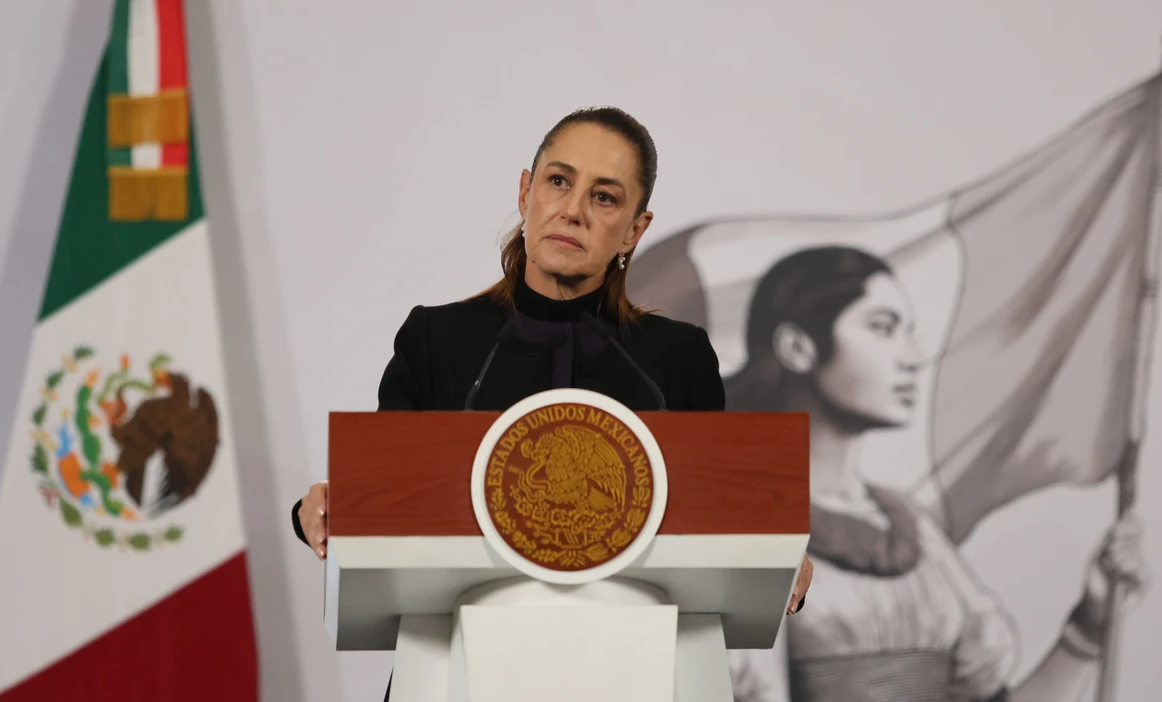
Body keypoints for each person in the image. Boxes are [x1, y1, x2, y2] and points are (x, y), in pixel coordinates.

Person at [289, 107, 816, 698]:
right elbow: (383, 500)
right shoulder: (437, 340)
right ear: (525, 191)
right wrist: (324, 510)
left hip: (637, 674)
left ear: (635, 230)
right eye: (559, 181)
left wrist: (777, 561)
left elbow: (723, 518)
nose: (573, 210)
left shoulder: (678, 359)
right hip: (457, 672)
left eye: (605, 198)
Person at [724, 246, 1147, 702]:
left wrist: (1089, 626)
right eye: (883, 328)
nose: (910, 357)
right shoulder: (737, 527)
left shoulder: (912, 527)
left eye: (908, 333)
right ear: (797, 347)